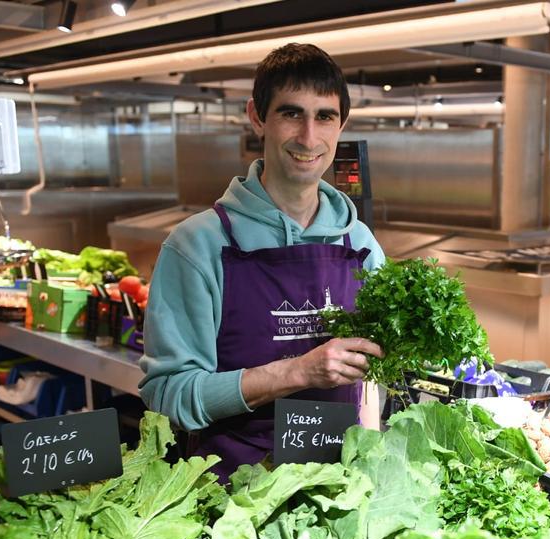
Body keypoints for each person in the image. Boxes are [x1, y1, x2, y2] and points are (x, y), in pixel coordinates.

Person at [139, 43, 386, 479]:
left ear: (341, 123)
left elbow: (372, 378)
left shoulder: (361, 243)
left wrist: (371, 448)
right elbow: (167, 396)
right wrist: (297, 372)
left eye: (324, 116)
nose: (309, 138)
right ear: (257, 117)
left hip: (340, 487)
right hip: (230, 495)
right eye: (292, 114)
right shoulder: (198, 245)